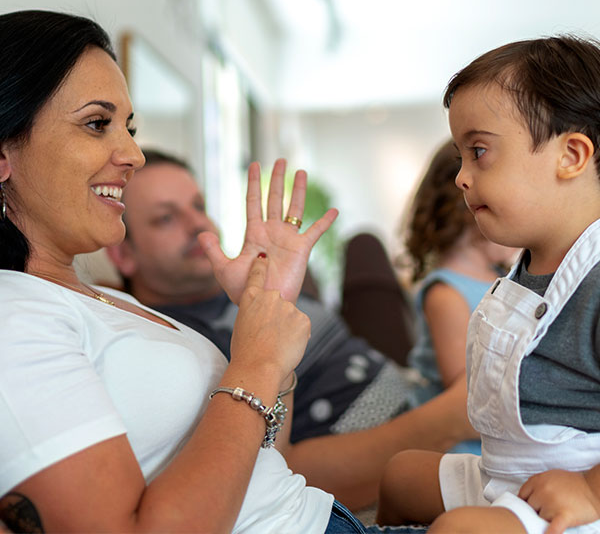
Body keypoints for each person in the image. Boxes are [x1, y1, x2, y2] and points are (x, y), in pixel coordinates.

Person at [0, 8, 399, 534]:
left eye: (129, 127)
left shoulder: (100, 297)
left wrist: (268, 309)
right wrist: (253, 364)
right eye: (97, 123)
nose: (133, 154)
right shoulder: (14, 319)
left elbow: (262, 462)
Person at [105, 148, 478, 510]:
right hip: (403, 441)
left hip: (410, 383)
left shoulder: (253, 278)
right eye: (165, 218)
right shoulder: (178, 347)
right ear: (123, 255)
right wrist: (452, 416)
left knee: (365, 245)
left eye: (198, 206)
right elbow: (278, 470)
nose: (198, 224)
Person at [376, 35, 600, 534]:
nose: (461, 177)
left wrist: (588, 489)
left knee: (459, 530)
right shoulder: (528, 263)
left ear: (571, 156)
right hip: (507, 472)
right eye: (460, 157)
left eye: (479, 152)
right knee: (400, 475)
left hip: (576, 493)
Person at [400, 140, 517, 429]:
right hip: (464, 440)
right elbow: (465, 395)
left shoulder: (494, 274)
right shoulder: (445, 294)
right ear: (470, 210)